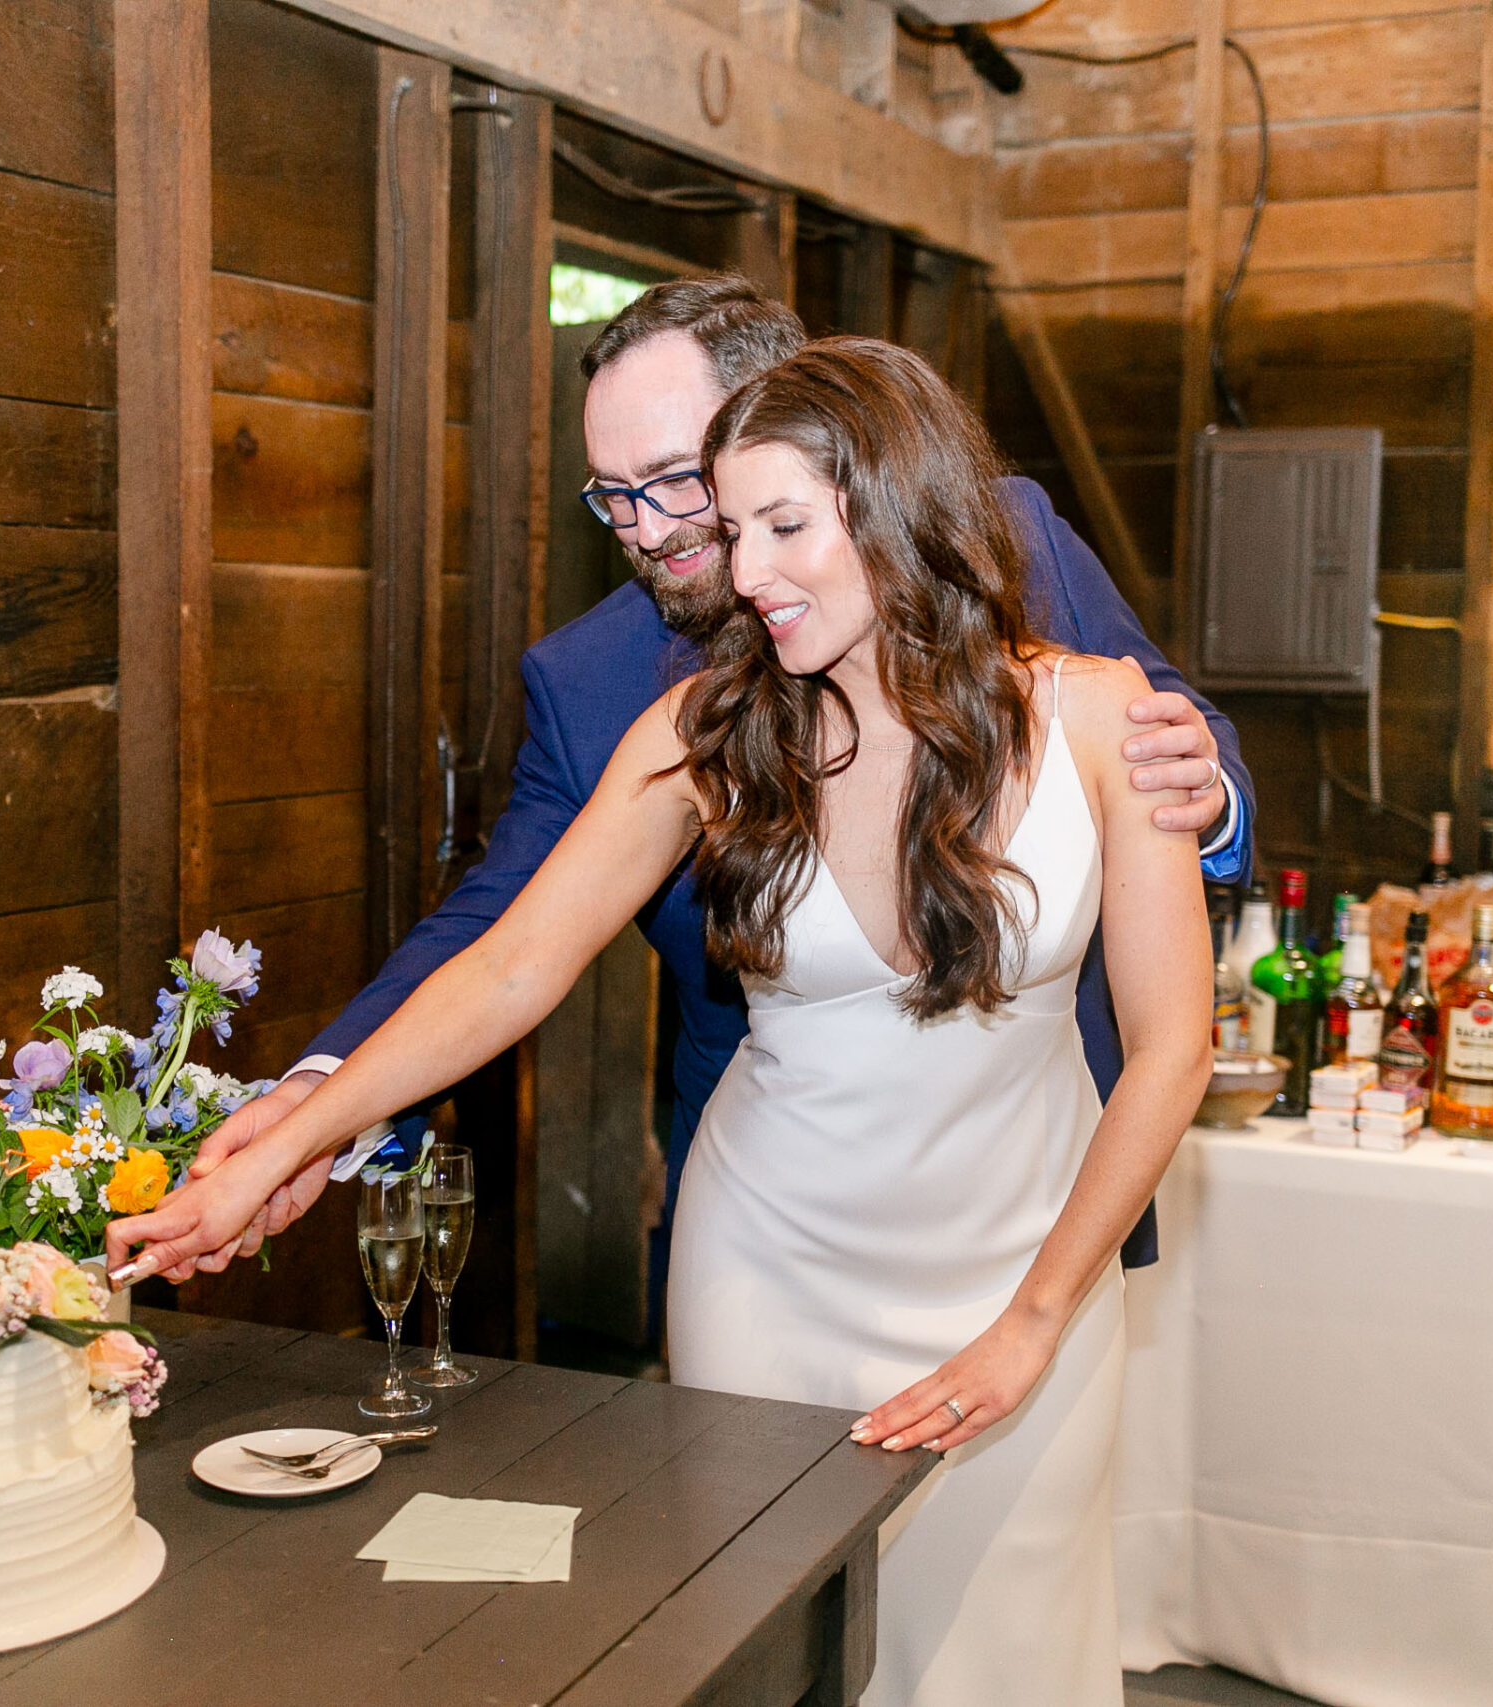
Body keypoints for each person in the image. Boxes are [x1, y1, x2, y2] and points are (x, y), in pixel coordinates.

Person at [111, 338, 1212, 1703]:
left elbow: (1174, 1045)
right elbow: (513, 964)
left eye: (783, 525)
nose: (743, 572)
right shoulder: (698, 732)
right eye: (733, 530)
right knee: (769, 1656)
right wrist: (291, 1137)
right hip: (770, 1263)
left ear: (897, 503)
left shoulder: (1106, 720)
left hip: (1026, 1265)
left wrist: (1037, 1318)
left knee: (1003, 1653)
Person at [143, 276, 1251, 1297]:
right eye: (612, 498)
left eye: (677, 483)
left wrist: (1196, 800)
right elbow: (504, 942)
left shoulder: (1004, 539)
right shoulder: (603, 689)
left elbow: (1174, 732)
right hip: (775, 1203)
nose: (654, 532)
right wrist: (309, 1107)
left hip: (1039, 1180)